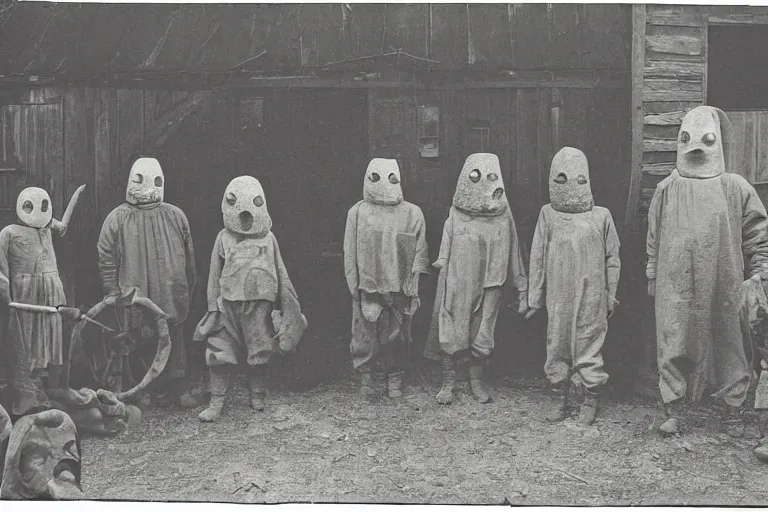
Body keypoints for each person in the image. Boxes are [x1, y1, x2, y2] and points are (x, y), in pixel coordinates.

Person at [646, 106, 768, 437]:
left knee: (729, 339)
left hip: (723, 279)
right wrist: (653, 274)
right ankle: (674, 407)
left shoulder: (735, 187)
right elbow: (654, 236)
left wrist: (759, 270)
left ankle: (731, 409)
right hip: (677, 282)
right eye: (687, 139)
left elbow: (758, 233)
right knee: (674, 336)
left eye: (705, 140)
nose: (696, 148)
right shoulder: (667, 189)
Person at [194, 176, 306, 422]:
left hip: (259, 306)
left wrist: (287, 305)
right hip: (228, 305)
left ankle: (258, 394)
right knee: (219, 351)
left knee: (260, 350)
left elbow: (280, 272)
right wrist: (213, 306)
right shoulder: (223, 238)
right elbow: (214, 274)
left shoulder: (269, 239)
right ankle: (217, 401)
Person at [525, 147, 621, 425]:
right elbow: (537, 255)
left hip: (592, 294)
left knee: (589, 343)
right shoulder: (548, 215)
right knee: (557, 342)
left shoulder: (601, 216)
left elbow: (613, 258)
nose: (569, 185)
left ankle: (590, 397)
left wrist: (610, 295)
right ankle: (559, 395)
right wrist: (535, 295)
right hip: (559, 293)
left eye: (577, 179)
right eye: (561, 178)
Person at [423, 153, 528, 404]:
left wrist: (521, 285)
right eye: (475, 175)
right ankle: (448, 383)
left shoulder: (503, 216)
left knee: (482, 333)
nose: (483, 182)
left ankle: (476, 382)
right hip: (457, 283)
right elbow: (445, 248)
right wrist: (443, 267)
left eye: (490, 176)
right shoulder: (456, 214)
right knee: (451, 330)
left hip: (491, 283)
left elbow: (514, 252)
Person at [97, 157, 198, 409]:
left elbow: (189, 258)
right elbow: (106, 256)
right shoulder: (117, 218)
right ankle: (143, 390)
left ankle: (179, 387)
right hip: (135, 292)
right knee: (137, 338)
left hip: (169, 290)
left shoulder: (175, 216)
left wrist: (185, 287)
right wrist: (112, 290)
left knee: (173, 335)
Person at [343, 158, 429, 398]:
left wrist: (412, 288)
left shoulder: (411, 213)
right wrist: (355, 287)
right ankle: (366, 377)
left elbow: (419, 251)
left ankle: (395, 377)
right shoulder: (357, 213)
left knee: (398, 335)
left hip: (397, 289)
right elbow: (350, 253)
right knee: (363, 336)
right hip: (367, 287)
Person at [0, 185, 86, 416]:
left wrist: (74, 199)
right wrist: (5, 288)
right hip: (25, 294)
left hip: (50, 289)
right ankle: (30, 393)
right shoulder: (9, 232)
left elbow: (64, 226)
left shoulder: (47, 226)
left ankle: (52, 387)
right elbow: (1, 266)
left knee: (51, 335)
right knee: (27, 339)